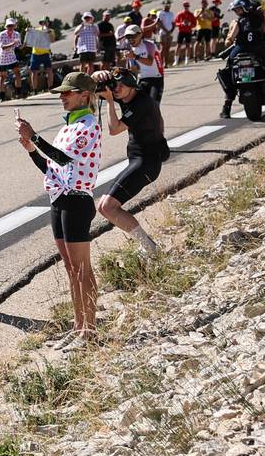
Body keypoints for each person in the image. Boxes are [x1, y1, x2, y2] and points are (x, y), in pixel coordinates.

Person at [14, 72, 101, 347]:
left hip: (77, 201)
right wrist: (30, 148)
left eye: (68, 93)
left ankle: (90, 329)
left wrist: (35, 137)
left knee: (82, 268)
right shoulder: (66, 128)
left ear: (84, 96)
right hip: (59, 199)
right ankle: (78, 326)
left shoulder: (89, 125)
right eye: (62, 93)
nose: (62, 97)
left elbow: (62, 158)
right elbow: (52, 167)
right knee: (70, 268)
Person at [91, 68, 166, 255]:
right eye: (114, 85)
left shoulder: (140, 103)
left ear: (132, 86)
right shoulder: (127, 94)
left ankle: (150, 248)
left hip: (146, 163)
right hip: (140, 160)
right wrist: (96, 76)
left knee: (108, 207)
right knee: (104, 207)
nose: (116, 89)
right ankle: (148, 247)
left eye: (121, 86)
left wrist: (109, 100)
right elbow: (91, 89)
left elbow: (114, 129)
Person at [119, 24, 164, 102]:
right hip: (142, 79)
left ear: (140, 35)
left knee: (154, 106)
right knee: (140, 106)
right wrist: (127, 63)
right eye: (128, 37)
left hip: (156, 78)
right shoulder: (130, 50)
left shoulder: (149, 45)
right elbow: (134, 70)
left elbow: (149, 62)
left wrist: (134, 56)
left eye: (133, 36)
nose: (130, 39)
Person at [0, 17, 22, 99]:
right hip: (3, 58)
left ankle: (18, 93)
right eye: (8, 26)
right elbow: (2, 47)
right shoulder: (1, 34)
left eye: (11, 26)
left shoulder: (17, 34)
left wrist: (25, 44)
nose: (10, 27)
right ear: (6, 26)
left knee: (18, 74)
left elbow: (19, 46)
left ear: (14, 26)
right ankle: (2, 96)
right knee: (2, 77)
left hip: (12, 57)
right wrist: (13, 43)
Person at [24, 18, 55, 92]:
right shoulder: (36, 30)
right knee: (34, 72)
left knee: (49, 70)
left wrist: (49, 32)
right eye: (42, 22)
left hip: (45, 53)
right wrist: (28, 30)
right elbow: (30, 33)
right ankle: (35, 89)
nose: (44, 24)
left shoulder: (51, 31)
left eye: (45, 22)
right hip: (35, 53)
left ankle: (50, 87)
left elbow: (52, 40)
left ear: (48, 23)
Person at [173, 1, 196, 66]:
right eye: (185, 6)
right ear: (183, 6)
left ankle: (187, 60)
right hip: (181, 31)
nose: (186, 7)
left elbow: (194, 24)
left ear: (188, 6)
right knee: (178, 46)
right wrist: (181, 24)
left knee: (188, 46)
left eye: (187, 6)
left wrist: (190, 24)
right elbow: (175, 23)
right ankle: (176, 61)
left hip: (188, 32)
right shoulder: (180, 14)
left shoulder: (191, 14)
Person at [156, 0, 175, 65]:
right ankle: (160, 63)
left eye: (169, 4)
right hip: (163, 33)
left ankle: (166, 64)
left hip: (169, 33)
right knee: (163, 48)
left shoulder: (171, 13)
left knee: (168, 48)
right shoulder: (160, 13)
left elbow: (173, 23)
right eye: (167, 4)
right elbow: (159, 23)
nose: (168, 6)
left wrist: (171, 31)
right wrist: (166, 30)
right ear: (164, 5)